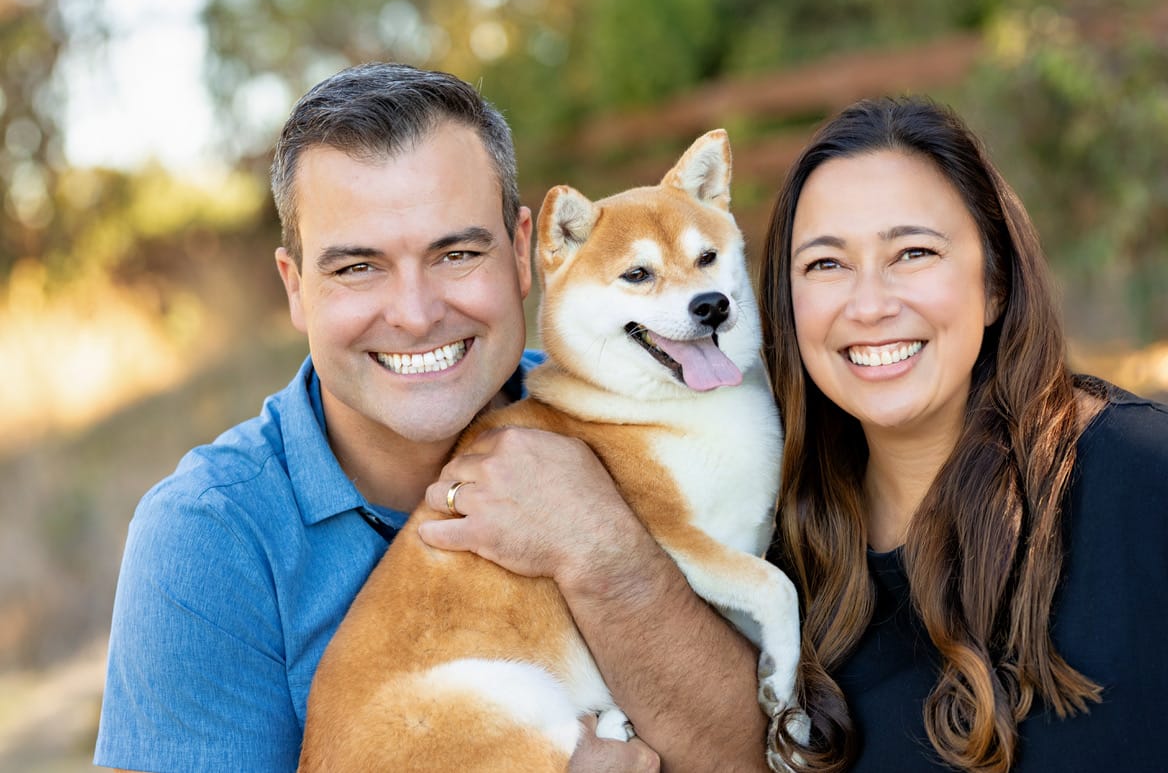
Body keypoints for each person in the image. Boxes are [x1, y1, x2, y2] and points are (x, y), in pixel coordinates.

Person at [94, 62, 767, 772]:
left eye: (457, 253)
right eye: (357, 267)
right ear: (296, 288)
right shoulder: (210, 536)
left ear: (522, 254)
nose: (415, 314)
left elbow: (766, 755)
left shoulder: (644, 415)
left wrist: (609, 556)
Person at [757, 96, 1168, 772]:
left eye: (913, 252)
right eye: (826, 264)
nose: (870, 303)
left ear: (996, 282)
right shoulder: (781, 576)